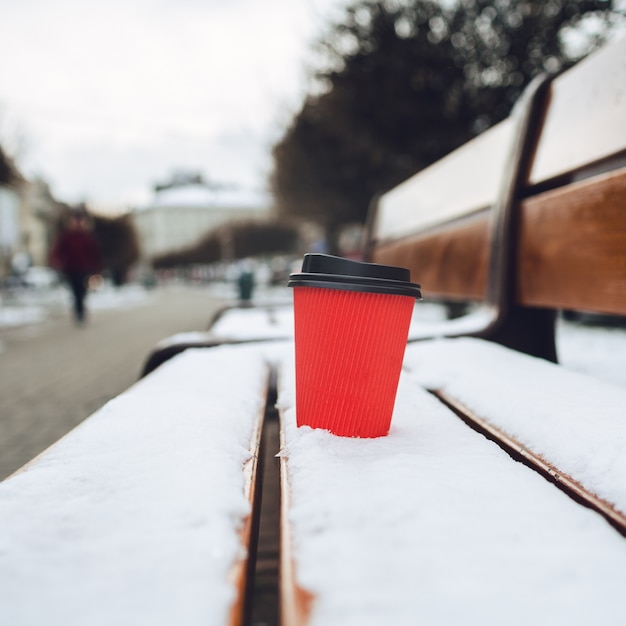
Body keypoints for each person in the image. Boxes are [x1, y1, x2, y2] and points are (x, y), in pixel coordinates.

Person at [50, 208, 102, 324]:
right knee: (75, 291)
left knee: (82, 290)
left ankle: (81, 310)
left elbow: (94, 253)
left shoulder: (87, 237)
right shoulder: (66, 237)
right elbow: (58, 251)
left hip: (84, 269)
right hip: (70, 269)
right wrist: (57, 261)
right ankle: (78, 312)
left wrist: (95, 268)